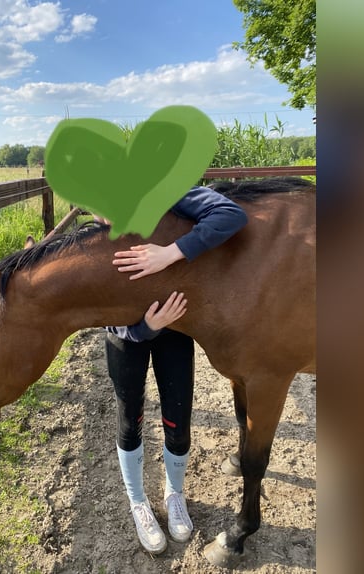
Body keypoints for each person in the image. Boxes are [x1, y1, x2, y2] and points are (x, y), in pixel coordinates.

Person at [103, 184, 248, 554]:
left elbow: (231, 215)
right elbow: (97, 302)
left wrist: (168, 253)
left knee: (178, 415)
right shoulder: (97, 235)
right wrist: (142, 328)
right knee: (129, 416)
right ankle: (139, 502)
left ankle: (174, 494)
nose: (105, 216)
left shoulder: (167, 194)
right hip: (126, 337)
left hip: (175, 331)